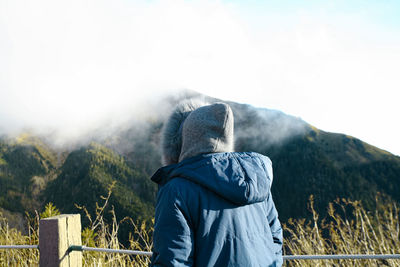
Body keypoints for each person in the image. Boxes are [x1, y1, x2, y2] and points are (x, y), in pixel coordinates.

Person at [150, 100, 283, 267]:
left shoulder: (177, 190)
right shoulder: (257, 180)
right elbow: (276, 241)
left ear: (187, 139)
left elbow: (173, 261)